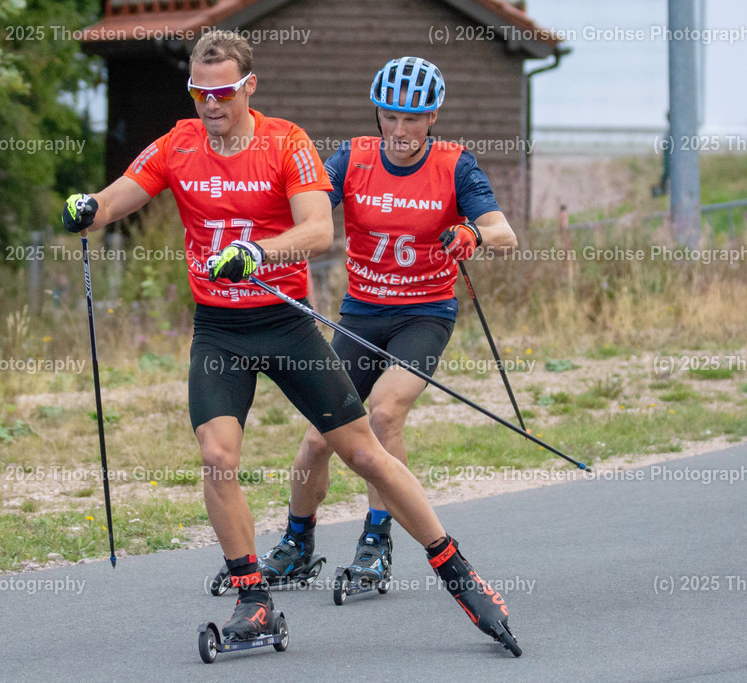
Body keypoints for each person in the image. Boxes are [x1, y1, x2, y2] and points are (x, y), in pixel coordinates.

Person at [63, 35, 513, 648]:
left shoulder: (287, 143)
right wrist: (91, 207)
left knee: (364, 447)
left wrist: (256, 252)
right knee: (218, 457)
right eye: (200, 92)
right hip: (220, 328)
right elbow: (124, 191)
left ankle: (456, 571)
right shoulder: (178, 142)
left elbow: (317, 230)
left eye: (222, 92)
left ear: (249, 86)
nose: (210, 104)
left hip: (288, 322)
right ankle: (255, 599)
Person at [258, 54, 518, 619]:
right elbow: (305, 211)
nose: (400, 131)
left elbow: (506, 234)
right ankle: (297, 541)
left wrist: (473, 230)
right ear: (378, 115)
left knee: (383, 414)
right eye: (390, 117)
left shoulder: (455, 165)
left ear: (432, 118)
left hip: (423, 316)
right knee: (315, 439)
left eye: (413, 118)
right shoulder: (352, 157)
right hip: (360, 314)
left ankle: (377, 540)